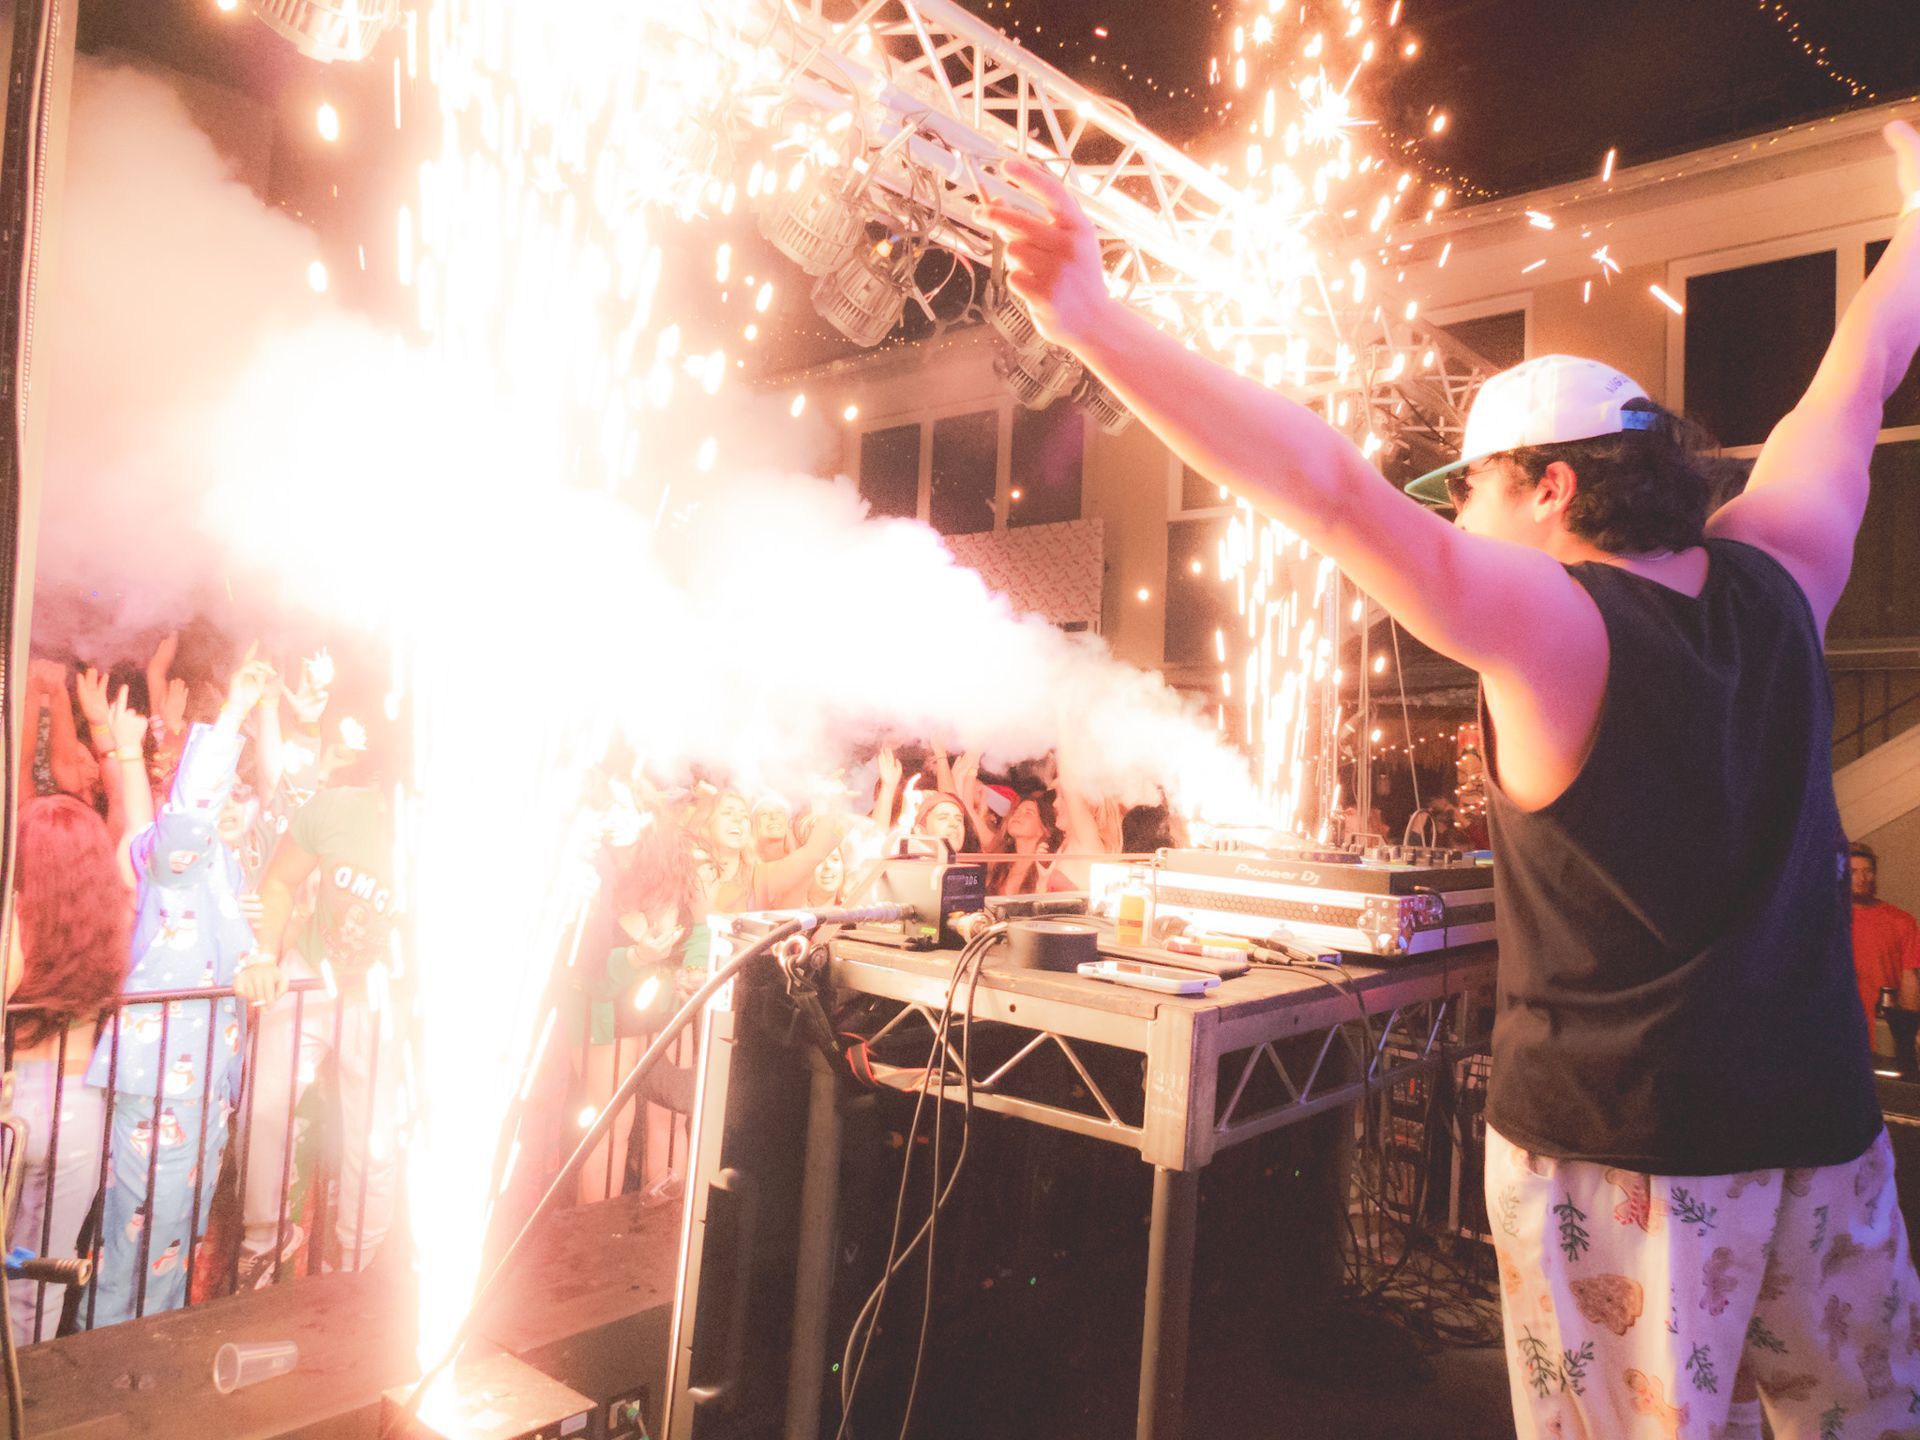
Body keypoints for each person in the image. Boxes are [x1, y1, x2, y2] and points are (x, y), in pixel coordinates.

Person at [983, 120, 1920, 1438]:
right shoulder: (1785, 575)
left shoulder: (1560, 629)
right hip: (1824, 1136)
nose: (1456, 525)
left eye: (1467, 493)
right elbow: (1863, 366)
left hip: (1631, 1160)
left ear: (1546, 486)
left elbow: (1326, 491)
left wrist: (1088, 315)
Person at [83, 659, 272, 1328]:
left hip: (205, 1083)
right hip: (160, 1079)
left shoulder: (222, 866)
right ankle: (103, 1366)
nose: (230, 803)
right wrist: (232, 715)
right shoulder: (165, 851)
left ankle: (144, 1360)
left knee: (174, 1238)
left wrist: (258, 964)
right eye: (223, 788)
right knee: (139, 1240)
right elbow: (189, 820)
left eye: (241, 793)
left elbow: (236, 942)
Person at [234, 698, 403, 1288]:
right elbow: (278, 880)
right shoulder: (337, 809)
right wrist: (264, 955)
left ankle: (355, 1262)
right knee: (264, 1103)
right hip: (312, 970)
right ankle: (264, 1237)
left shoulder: (448, 844)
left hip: (382, 996)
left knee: (373, 1137)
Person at [4, 783, 139, 1342]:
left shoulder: (17, 924)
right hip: (80, 1101)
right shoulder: (112, 925)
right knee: (37, 1281)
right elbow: (135, 840)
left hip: (17, 1099)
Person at [1849, 841, 1920, 1073]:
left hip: (1886, 1040)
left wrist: (1908, 1034)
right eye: (1853, 872)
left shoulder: (1901, 921)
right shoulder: (1823, 921)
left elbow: (1910, 982)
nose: (1862, 878)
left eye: (1868, 871)